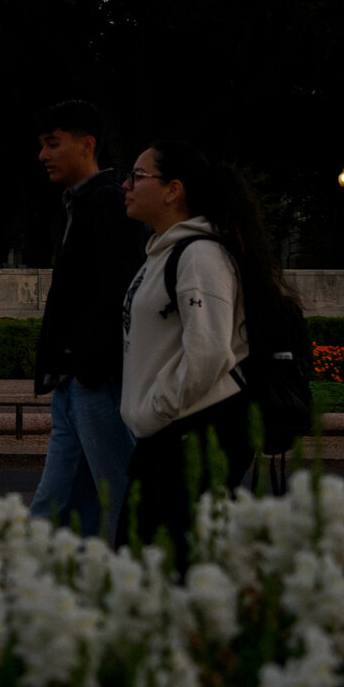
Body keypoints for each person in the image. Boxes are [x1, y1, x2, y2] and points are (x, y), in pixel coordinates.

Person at [118, 138, 270, 558]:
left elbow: (209, 353)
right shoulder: (161, 254)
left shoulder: (199, 254)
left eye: (138, 176)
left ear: (173, 189)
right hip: (168, 438)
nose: (127, 185)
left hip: (191, 438)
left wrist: (158, 408)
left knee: (158, 568)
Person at [29, 100, 147, 538]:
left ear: (87, 145)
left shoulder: (107, 203)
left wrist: (85, 369)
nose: (43, 155)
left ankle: (135, 580)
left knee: (111, 493)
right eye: (43, 144)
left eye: (53, 144)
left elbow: (115, 293)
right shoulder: (83, 202)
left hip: (91, 380)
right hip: (76, 378)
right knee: (59, 500)